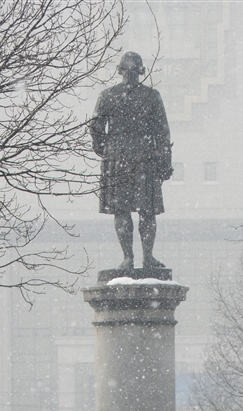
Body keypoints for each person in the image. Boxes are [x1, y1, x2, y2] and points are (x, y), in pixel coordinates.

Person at [90, 52, 173, 270]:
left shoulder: (109, 95)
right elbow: (162, 133)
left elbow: (96, 128)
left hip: (124, 159)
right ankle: (139, 257)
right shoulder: (150, 96)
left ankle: (134, 257)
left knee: (128, 211)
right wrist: (164, 160)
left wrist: (104, 148)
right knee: (142, 211)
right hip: (140, 158)